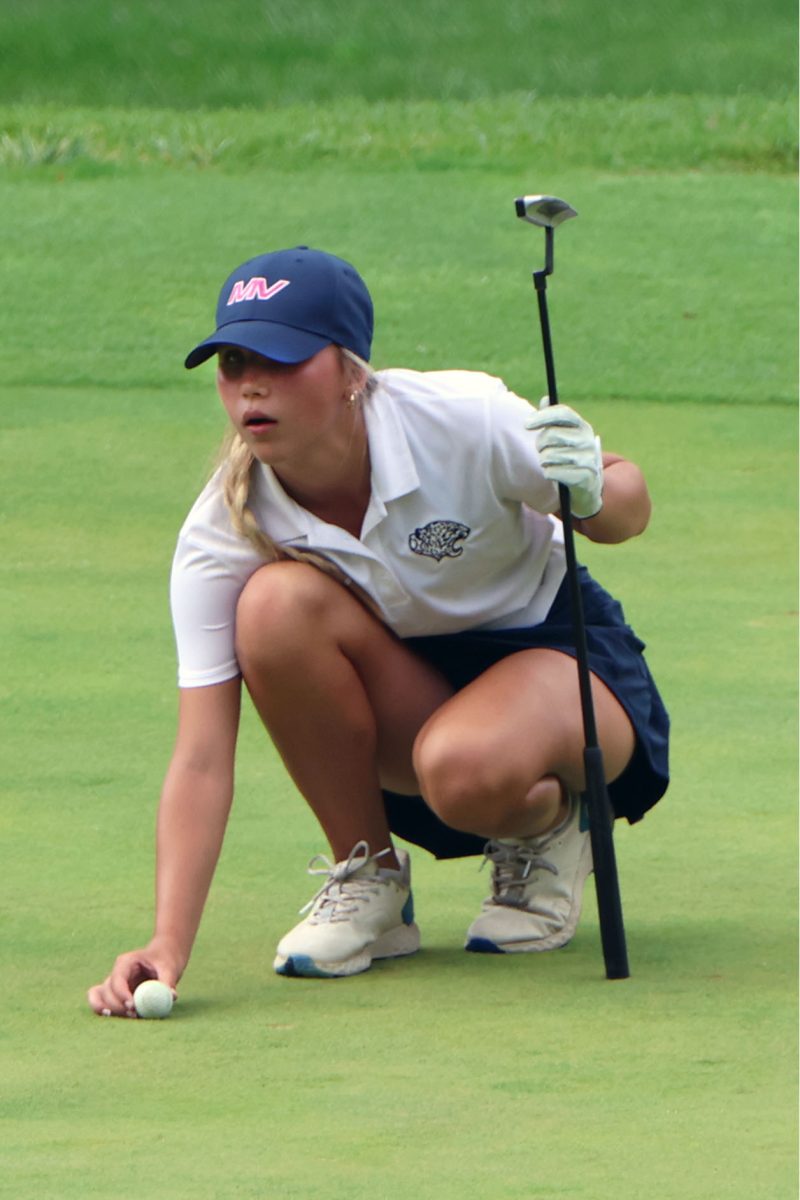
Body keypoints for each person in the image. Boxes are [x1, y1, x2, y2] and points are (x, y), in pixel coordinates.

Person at [87, 245, 669, 1014]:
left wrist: (593, 488)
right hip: (415, 688)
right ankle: (368, 877)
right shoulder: (223, 530)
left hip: (563, 660)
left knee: (461, 761)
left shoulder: (461, 416)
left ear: (352, 370)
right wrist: (167, 942)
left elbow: (627, 507)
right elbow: (200, 758)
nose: (251, 385)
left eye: (282, 358)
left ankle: (546, 823)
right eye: (232, 361)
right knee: (271, 607)